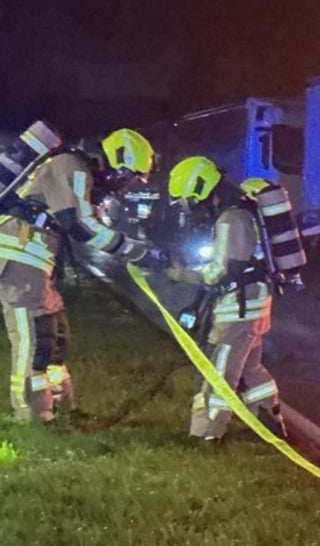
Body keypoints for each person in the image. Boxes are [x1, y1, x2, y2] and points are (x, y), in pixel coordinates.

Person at [0, 126, 155, 423]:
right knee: (33, 335)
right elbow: (81, 226)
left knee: (56, 334)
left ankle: (61, 409)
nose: (124, 186)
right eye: (127, 176)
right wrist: (138, 252)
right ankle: (32, 417)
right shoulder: (73, 166)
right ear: (116, 163)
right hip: (20, 253)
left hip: (34, 254)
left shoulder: (76, 170)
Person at [165, 157, 286, 441]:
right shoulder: (245, 212)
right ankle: (270, 422)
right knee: (250, 369)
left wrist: (181, 274)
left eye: (190, 202)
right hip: (255, 306)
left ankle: (207, 435)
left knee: (218, 374)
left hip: (237, 311)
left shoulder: (229, 219)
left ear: (201, 192)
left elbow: (218, 271)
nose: (192, 209)